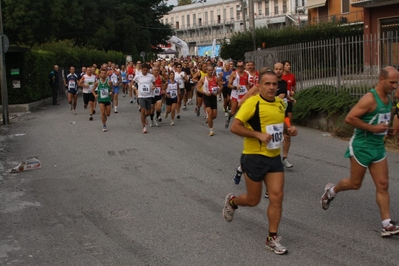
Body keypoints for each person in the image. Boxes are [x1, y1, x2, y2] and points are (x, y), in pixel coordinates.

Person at [222, 70, 297, 255]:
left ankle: (272, 238)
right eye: (267, 84)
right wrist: (257, 134)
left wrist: (289, 129)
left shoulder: (280, 103)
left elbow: (282, 120)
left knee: (277, 196)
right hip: (253, 157)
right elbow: (235, 127)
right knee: (253, 200)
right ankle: (233, 202)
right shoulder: (252, 103)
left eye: (274, 84)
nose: (272, 87)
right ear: (260, 86)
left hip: (273, 158)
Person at [320, 66, 399, 237]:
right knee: (355, 184)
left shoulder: (388, 98)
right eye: (392, 82)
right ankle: (331, 191)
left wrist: (388, 130)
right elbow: (350, 118)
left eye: (397, 82)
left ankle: (387, 224)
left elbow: (380, 120)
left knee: (383, 184)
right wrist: (373, 128)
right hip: (361, 146)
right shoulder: (370, 98)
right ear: (381, 80)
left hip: (378, 146)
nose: (395, 86)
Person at [196, 65, 222, 136]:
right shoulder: (203, 79)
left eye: (212, 70)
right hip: (206, 97)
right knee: (210, 113)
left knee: (214, 116)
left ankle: (209, 119)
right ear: (206, 71)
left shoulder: (216, 78)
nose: (211, 71)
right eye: (209, 70)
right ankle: (211, 130)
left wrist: (218, 91)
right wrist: (205, 93)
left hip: (213, 97)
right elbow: (198, 88)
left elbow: (221, 86)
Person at [225, 61, 249, 129]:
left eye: (241, 66)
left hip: (243, 94)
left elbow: (247, 84)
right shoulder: (234, 73)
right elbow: (229, 85)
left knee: (243, 110)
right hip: (235, 95)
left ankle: (241, 125)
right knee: (233, 111)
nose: (240, 68)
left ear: (244, 66)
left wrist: (249, 92)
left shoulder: (246, 74)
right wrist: (235, 87)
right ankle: (228, 119)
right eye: (238, 66)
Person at [133, 64, 155, 133]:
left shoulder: (151, 76)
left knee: (149, 112)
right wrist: (133, 87)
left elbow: (154, 83)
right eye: (144, 70)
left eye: (146, 70)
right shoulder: (138, 76)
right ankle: (144, 127)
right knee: (142, 111)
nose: (145, 71)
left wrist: (154, 87)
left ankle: (144, 118)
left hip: (148, 95)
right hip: (141, 96)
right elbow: (133, 82)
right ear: (141, 69)